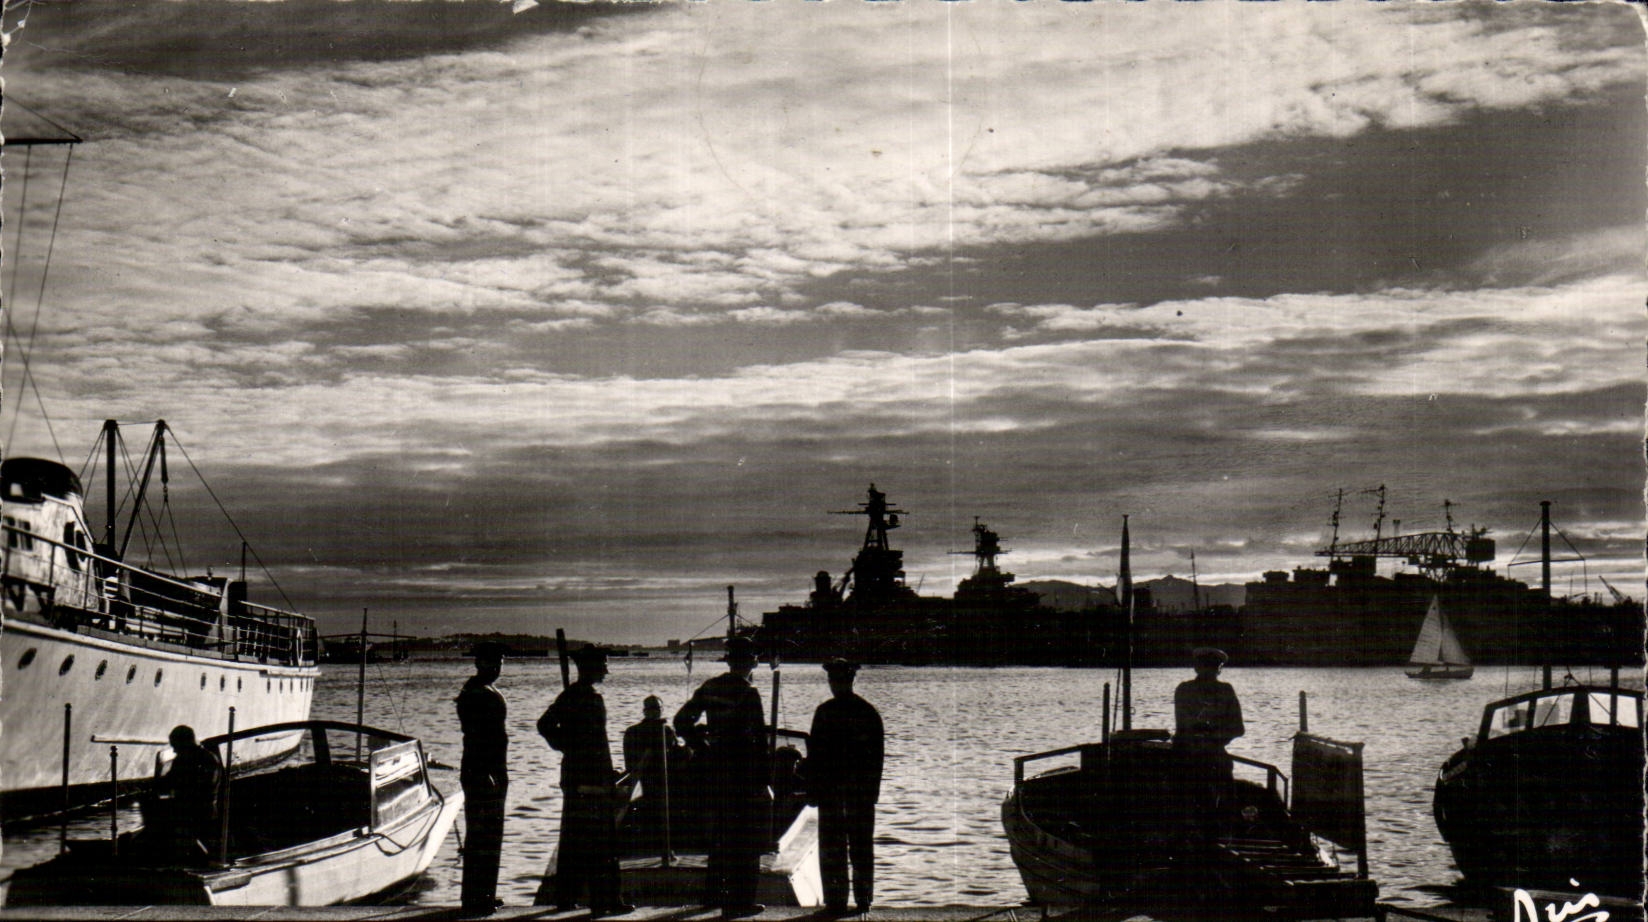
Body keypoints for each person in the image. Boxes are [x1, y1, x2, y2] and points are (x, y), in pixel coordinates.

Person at [673, 635, 769, 919]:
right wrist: (763, 781)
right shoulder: (748, 693)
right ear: (751, 661)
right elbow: (759, 743)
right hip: (742, 775)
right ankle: (740, 902)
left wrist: (703, 748)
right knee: (745, 840)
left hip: (714, 774)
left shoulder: (710, 687)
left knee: (719, 836)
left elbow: (681, 722)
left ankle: (712, 896)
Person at [539, 644, 631, 917]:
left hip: (592, 778)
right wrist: (571, 747)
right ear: (589, 668)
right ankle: (604, 900)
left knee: (577, 841)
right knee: (598, 843)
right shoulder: (575, 696)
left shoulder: (584, 696)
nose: (606, 670)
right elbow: (545, 726)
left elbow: (597, 744)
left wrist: (607, 770)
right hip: (583, 781)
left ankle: (571, 898)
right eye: (602, 665)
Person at [805, 658, 885, 913]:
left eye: (835, 680)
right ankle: (863, 898)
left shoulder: (825, 712)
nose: (834, 684)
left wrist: (813, 790)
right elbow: (877, 758)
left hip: (833, 790)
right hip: (859, 791)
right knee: (860, 845)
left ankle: (836, 899)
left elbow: (815, 756)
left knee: (832, 846)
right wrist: (872, 792)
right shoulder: (867, 711)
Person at [456, 641, 510, 916]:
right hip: (482, 771)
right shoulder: (477, 693)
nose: (497, 668)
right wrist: (488, 773)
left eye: (500, 662)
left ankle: (484, 893)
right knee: (482, 836)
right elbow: (477, 738)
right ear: (480, 663)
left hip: (492, 770)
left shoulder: (482, 690)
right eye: (492, 662)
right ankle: (477, 898)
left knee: (490, 836)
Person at [1172, 646, 1245, 834]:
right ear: (1196, 668)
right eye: (1205, 666)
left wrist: (1215, 737)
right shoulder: (1185, 690)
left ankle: (1225, 830)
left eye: (1213, 667)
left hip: (1213, 750)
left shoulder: (1226, 691)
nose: (1209, 671)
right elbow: (1184, 723)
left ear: (1218, 669)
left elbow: (1238, 727)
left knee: (1225, 785)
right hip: (1187, 751)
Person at [145, 724, 224, 862]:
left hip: (201, 810)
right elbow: (169, 781)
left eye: (175, 746)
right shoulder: (183, 759)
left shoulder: (207, 759)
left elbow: (203, 787)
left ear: (186, 742)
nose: (174, 750)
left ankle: (202, 859)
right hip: (185, 808)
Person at [622, 695, 686, 852]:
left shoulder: (667, 731)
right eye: (651, 709)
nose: (654, 712)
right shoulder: (633, 732)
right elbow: (630, 763)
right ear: (644, 711)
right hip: (645, 782)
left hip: (667, 781)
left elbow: (677, 756)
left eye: (657, 709)